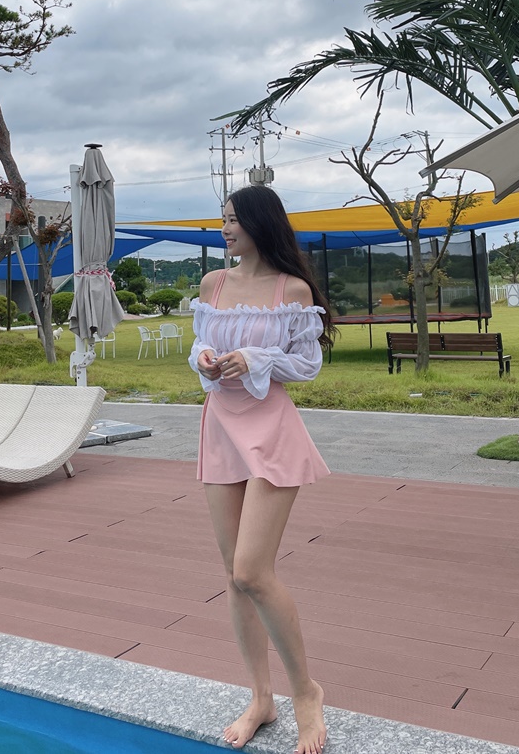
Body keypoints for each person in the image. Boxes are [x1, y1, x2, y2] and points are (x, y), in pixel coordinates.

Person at [189, 185, 335, 754]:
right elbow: (200, 344)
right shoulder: (213, 283)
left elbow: (306, 364)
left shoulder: (290, 289)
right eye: (222, 219)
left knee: (253, 570)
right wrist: (205, 359)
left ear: (259, 222)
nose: (225, 229)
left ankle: (306, 693)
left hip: (270, 428)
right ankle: (260, 697)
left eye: (234, 220)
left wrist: (252, 358)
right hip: (220, 427)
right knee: (233, 575)